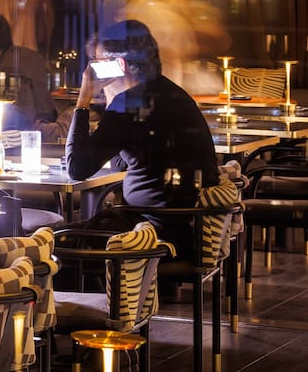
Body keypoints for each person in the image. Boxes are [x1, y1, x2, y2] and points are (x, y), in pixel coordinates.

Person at [65, 19, 220, 248]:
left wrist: (84, 98)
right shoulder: (173, 94)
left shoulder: (130, 104)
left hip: (149, 234)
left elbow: (76, 168)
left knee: (57, 242)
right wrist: (112, 100)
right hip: (185, 226)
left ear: (119, 64)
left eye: (98, 63)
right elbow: (121, 164)